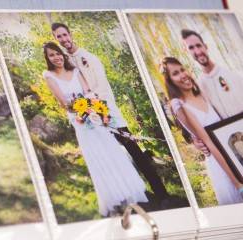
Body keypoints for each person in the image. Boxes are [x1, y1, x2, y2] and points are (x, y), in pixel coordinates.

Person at [51, 22, 170, 202]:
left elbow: (102, 87)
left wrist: (97, 109)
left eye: (65, 35)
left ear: (70, 34)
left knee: (133, 149)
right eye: (59, 37)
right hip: (89, 120)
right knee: (111, 155)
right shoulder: (63, 63)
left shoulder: (89, 57)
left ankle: (161, 193)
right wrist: (85, 112)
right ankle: (132, 192)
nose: (63, 39)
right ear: (55, 39)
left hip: (108, 114)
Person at [42, 41, 148, 216]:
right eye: (51, 55)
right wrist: (81, 108)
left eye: (58, 53)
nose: (56, 57)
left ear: (62, 54)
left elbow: (88, 91)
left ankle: (127, 190)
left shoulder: (75, 71)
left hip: (95, 117)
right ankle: (113, 197)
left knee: (111, 152)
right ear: (48, 58)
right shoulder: (49, 76)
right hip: (80, 122)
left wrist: (93, 107)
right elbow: (64, 104)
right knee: (97, 156)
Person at [161, 56, 243, 205]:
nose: (182, 75)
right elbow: (208, 142)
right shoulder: (182, 106)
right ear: (170, 81)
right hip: (221, 166)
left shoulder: (202, 93)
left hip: (235, 153)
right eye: (175, 73)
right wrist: (237, 183)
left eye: (182, 69)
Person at [181, 29, 243, 155]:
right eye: (191, 48)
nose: (197, 51)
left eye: (199, 45)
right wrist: (197, 141)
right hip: (232, 147)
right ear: (187, 52)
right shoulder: (197, 88)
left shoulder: (234, 74)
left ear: (206, 46)